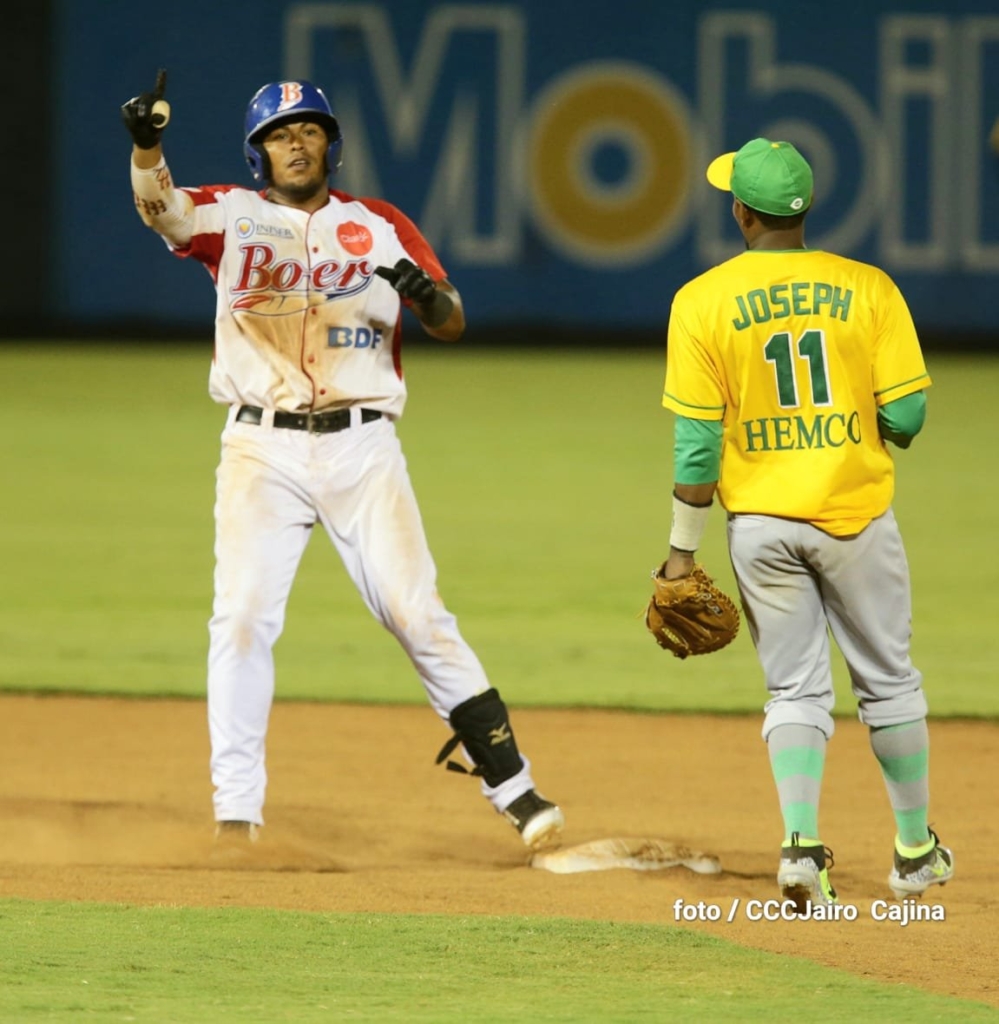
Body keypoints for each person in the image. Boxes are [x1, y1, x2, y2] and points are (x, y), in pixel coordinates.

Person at [120, 73, 564, 851]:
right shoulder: (233, 213)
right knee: (243, 620)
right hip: (262, 446)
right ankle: (236, 815)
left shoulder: (380, 224)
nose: (296, 143)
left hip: (363, 447)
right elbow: (163, 211)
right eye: (280, 134)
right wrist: (148, 146)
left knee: (416, 613)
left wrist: (426, 296)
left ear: (332, 143)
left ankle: (517, 790)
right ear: (258, 153)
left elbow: (452, 320)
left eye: (310, 130)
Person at [659, 137, 953, 912]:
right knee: (888, 684)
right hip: (855, 516)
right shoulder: (869, 287)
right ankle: (915, 854)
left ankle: (798, 847)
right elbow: (908, 412)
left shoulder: (700, 300)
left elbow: (695, 445)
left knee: (793, 689)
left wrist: (678, 558)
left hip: (759, 524)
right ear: (803, 210)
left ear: (739, 212)